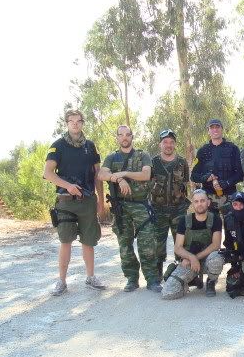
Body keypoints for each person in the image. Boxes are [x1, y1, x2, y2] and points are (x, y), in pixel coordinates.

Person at [43, 109, 106, 296]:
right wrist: (68, 186)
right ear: (67, 123)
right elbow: (48, 173)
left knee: (89, 241)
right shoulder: (58, 146)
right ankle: (61, 281)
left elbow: (97, 175)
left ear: (82, 123)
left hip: (87, 201)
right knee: (66, 241)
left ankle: (91, 277)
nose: (75, 124)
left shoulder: (90, 146)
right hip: (66, 202)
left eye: (79, 121)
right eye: (71, 121)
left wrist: (100, 200)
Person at [98, 125, 161, 292]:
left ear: (132, 137)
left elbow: (146, 175)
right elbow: (101, 175)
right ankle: (132, 279)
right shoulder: (112, 157)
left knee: (147, 243)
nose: (124, 137)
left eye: (127, 135)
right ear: (117, 138)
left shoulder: (142, 155)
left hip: (140, 204)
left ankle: (152, 279)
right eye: (121, 135)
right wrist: (118, 179)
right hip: (121, 207)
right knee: (125, 244)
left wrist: (124, 173)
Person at [161, 189, 224, 300]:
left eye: (202, 201)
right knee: (168, 293)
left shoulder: (215, 219)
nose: (199, 204)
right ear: (193, 204)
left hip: (207, 261)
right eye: (196, 201)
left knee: (217, 258)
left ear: (208, 202)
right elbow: (178, 248)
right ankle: (191, 280)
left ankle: (211, 281)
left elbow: (216, 245)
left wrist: (195, 258)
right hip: (189, 262)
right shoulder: (184, 220)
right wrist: (191, 257)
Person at [149, 129, 190, 280]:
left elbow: (185, 183)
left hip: (178, 210)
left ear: (175, 144)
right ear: (160, 144)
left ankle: (181, 274)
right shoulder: (153, 163)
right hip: (158, 210)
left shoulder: (182, 162)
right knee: (157, 244)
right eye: (165, 142)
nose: (168, 145)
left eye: (171, 142)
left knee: (181, 243)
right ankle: (157, 276)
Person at [190, 118, 243, 218]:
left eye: (217, 127)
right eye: (212, 127)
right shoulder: (202, 151)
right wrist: (205, 178)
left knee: (232, 226)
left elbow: (240, 174)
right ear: (208, 131)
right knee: (210, 226)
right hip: (208, 198)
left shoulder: (233, 148)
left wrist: (227, 183)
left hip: (230, 196)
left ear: (222, 129)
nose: (215, 129)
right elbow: (193, 176)